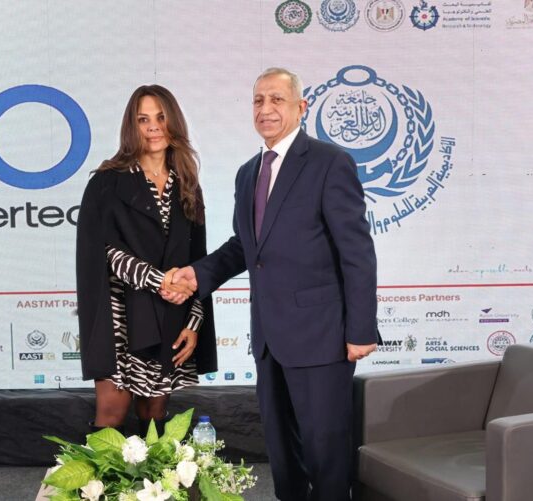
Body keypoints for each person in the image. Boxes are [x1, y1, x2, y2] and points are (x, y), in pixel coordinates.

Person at [165, 68, 379, 501]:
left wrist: (360, 330)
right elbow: (244, 247)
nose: (266, 109)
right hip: (269, 338)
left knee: (326, 450)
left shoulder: (329, 162)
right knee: (283, 454)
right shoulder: (248, 173)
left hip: (322, 336)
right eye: (258, 100)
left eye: (277, 100)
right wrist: (197, 275)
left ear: (301, 107)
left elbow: (357, 252)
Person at [76, 85, 217, 437]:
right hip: (119, 315)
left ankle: (152, 475)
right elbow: (105, 254)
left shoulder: (187, 184)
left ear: (174, 123)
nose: (153, 127)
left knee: (154, 412)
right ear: (131, 126)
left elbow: (198, 261)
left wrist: (194, 323)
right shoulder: (107, 182)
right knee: (112, 410)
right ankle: (99, 475)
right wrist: (162, 281)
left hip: (172, 312)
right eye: (143, 119)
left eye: (161, 117)